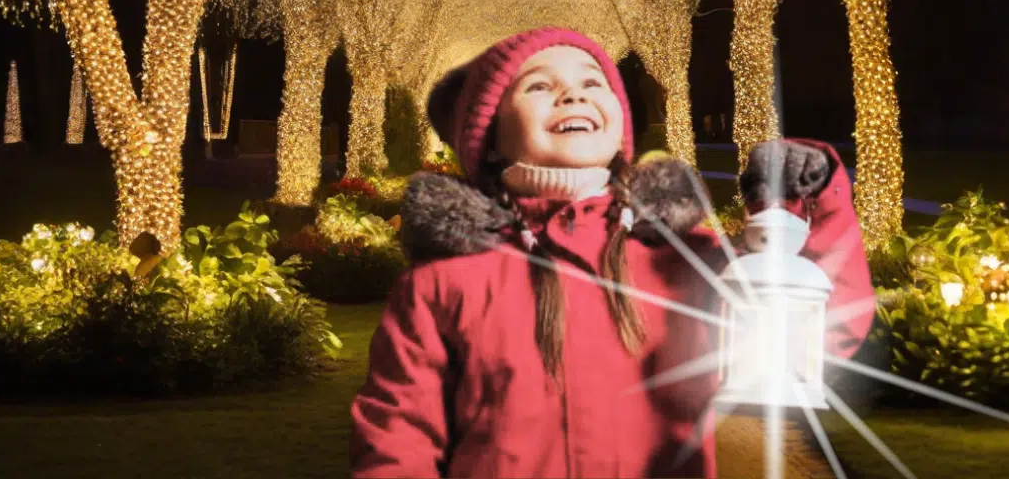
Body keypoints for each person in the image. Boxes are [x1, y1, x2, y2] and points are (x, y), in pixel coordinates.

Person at [351, 26, 874, 478]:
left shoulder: (681, 255)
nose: (573, 96)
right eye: (539, 85)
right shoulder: (446, 280)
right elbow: (399, 433)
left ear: (618, 123)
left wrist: (813, 203)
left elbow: (822, 331)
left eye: (590, 82)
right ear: (488, 137)